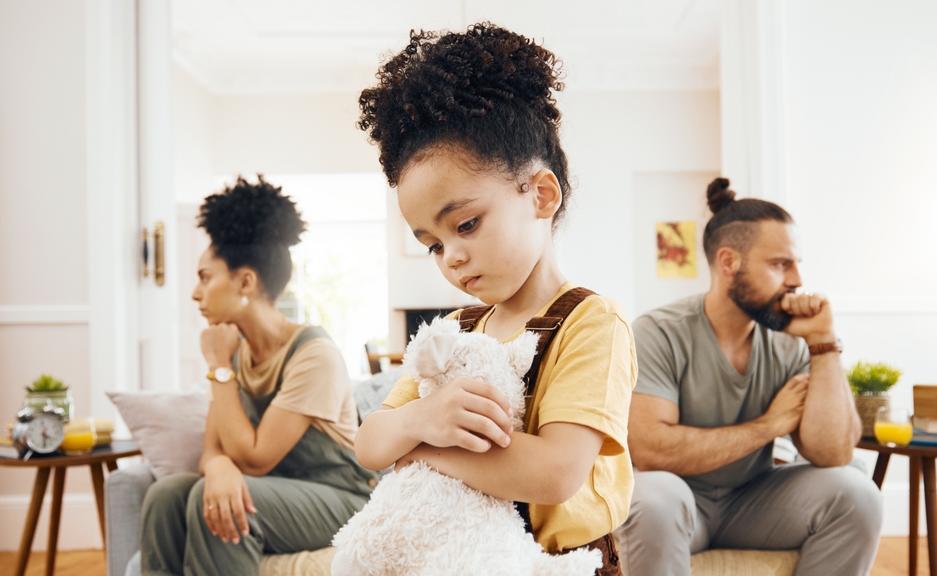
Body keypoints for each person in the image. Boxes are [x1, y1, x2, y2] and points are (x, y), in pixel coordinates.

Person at [352, 23, 636, 574]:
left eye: (466, 223)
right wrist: (418, 420)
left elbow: (554, 472)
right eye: (432, 244)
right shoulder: (455, 329)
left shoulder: (593, 323)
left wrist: (420, 447)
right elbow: (369, 442)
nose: (450, 256)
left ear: (541, 194)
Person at [616, 177, 883, 576]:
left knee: (858, 492)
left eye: (796, 264)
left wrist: (824, 343)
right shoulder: (657, 332)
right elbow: (653, 452)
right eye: (780, 264)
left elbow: (833, 454)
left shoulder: (792, 341)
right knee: (652, 495)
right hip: (681, 502)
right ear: (728, 263)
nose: (796, 279)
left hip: (756, 503)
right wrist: (769, 426)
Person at [141, 176, 376, 576]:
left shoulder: (313, 354)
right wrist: (218, 467)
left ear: (245, 281)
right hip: (275, 492)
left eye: (204, 277)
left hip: (341, 499)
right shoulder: (235, 355)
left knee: (215, 500)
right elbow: (213, 452)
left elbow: (253, 458)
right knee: (165, 496)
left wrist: (217, 365)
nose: (196, 294)